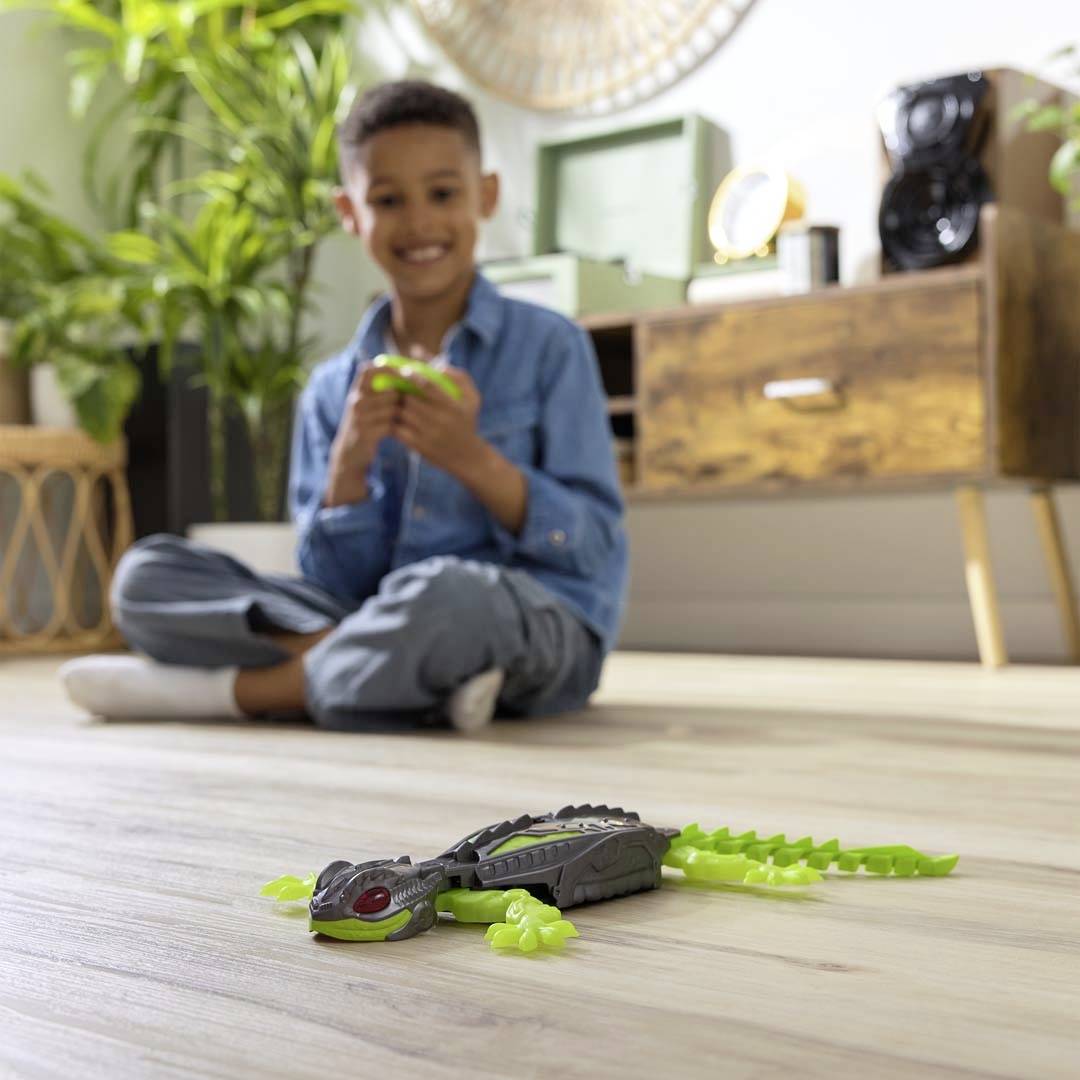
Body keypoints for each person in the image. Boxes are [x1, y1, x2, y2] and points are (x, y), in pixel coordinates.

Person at [60, 79, 628, 733]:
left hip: (529, 619)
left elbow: (591, 550)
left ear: (487, 196)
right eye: (388, 200)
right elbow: (331, 582)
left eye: (443, 194)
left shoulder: (552, 346)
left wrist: (471, 459)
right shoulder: (334, 388)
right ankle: (411, 679)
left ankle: (247, 693)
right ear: (349, 212)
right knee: (144, 576)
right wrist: (348, 466)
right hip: (372, 614)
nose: (418, 223)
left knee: (450, 595)